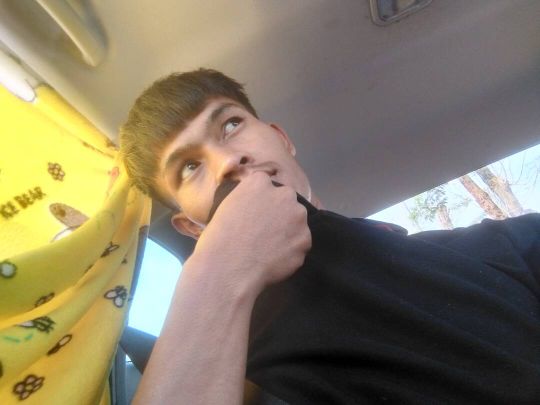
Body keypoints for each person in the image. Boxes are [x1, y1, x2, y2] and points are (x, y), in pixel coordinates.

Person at [119, 69, 540, 404]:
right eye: (189, 167)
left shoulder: (496, 247)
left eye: (231, 124)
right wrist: (219, 269)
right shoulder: (239, 372)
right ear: (192, 227)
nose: (228, 161)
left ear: (281, 139)